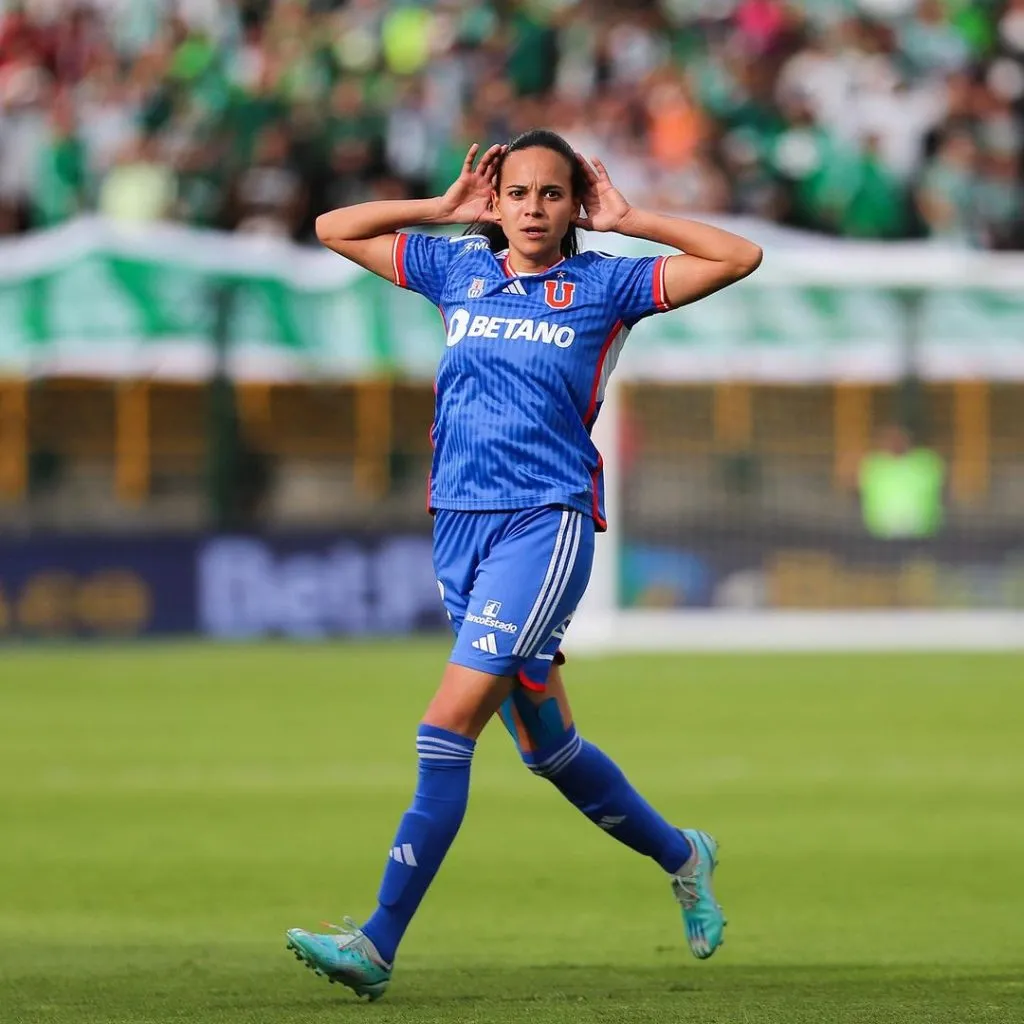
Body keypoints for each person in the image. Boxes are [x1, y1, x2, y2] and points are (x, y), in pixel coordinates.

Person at [285, 128, 763, 1000]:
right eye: (517, 193)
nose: (533, 209)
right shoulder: (455, 270)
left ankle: (377, 943)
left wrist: (634, 218)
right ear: (494, 201)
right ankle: (682, 854)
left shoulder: (606, 283)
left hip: (545, 525)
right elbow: (330, 227)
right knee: (546, 747)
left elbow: (740, 254)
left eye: (552, 194)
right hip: (458, 527)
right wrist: (437, 208)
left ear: (576, 205)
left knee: (447, 725)